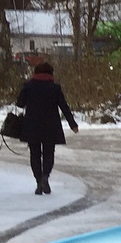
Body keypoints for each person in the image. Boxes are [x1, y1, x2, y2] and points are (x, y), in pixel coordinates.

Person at [15, 62, 80, 195]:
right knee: (49, 153)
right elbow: (64, 107)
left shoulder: (28, 86)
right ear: (50, 74)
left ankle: (39, 182)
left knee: (35, 155)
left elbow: (20, 104)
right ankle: (45, 177)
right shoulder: (55, 88)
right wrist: (72, 124)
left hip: (32, 125)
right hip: (51, 126)